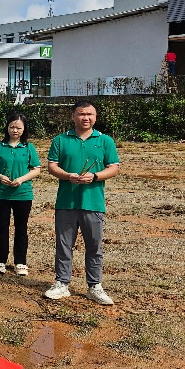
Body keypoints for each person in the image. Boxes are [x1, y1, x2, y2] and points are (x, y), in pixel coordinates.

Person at [44, 102, 120, 305]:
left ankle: (94, 286)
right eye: (81, 114)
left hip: (93, 203)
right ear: (73, 116)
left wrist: (95, 176)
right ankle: (62, 283)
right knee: (64, 245)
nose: (85, 118)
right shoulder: (61, 140)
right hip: (66, 202)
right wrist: (68, 175)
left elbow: (113, 168)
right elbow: (52, 166)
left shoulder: (105, 140)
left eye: (90, 114)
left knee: (94, 246)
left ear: (95, 117)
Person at [0, 114, 41, 276]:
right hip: (1, 193)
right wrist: (0, 177)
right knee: (2, 227)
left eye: (18, 128)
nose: (15, 130)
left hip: (22, 194)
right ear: (7, 128)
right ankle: (0, 261)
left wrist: (21, 179)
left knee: (21, 228)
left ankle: (20, 262)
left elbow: (36, 169)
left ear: (24, 129)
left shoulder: (29, 147)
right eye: (12, 127)